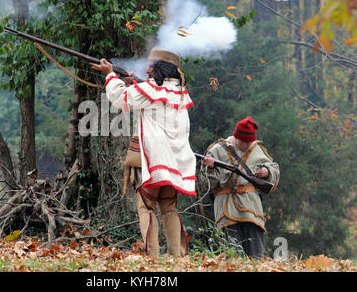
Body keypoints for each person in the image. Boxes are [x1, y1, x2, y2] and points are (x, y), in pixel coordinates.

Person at [90, 49, 196, 257]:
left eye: (151, 65)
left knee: (146, 207)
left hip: (154, 158)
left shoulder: (151, 89)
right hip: (176, 162)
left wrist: (110, 75)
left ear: (159, 68)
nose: (147, 69)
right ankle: (177, 257)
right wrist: (134, 83)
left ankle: (153, 256)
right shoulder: (182, 93)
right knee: (169, 208)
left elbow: (121, 99)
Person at [201, 116, 280, 258]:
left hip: (251, 209)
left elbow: (273, 168)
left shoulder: (257, 149)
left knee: (256, 256)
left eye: (250, 142)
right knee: (231, 257)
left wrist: (266, 172)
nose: (249, 145)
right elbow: (209, 185)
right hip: (226, 207)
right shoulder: (216, 151)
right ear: (237, 137)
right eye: (245, 142)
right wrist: (211, 168)